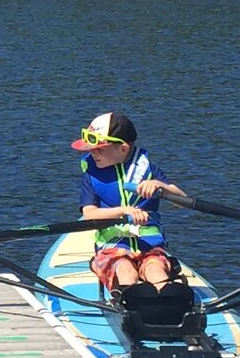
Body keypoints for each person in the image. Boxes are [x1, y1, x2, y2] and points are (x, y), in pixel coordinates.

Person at [72, 110, 191, 294]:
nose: (93, 153)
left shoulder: (148, 170)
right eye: (91, 149)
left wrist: (160, 186)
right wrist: (124, 211)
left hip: (149, 246)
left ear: (123, 149)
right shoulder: (92, 174)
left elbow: (182, 200)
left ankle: (168, 301)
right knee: (126, 271)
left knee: (155, 271)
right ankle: (132, 302)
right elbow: (89, 214)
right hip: (112, 248)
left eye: (100, 149)